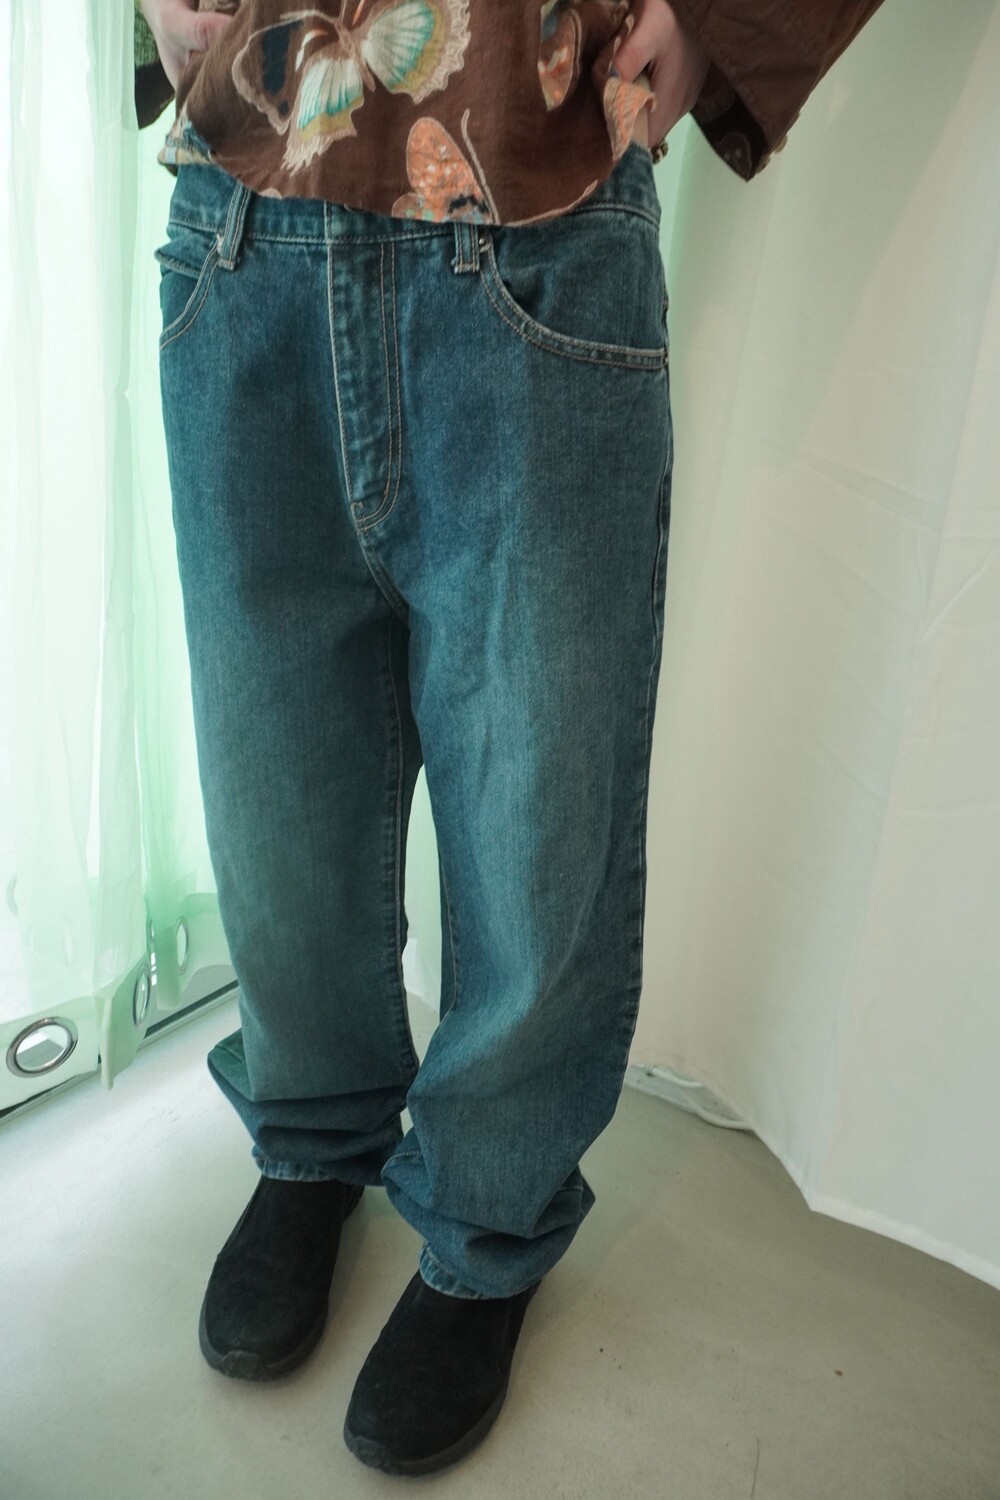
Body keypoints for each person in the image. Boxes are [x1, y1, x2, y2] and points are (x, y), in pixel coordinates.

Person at [137, 0, 885, 1478]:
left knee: (537, 802)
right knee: (274, 782)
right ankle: (312, 1138)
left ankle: (486, 1222)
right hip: (244, 209)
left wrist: (720, 21)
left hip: (533, 207)